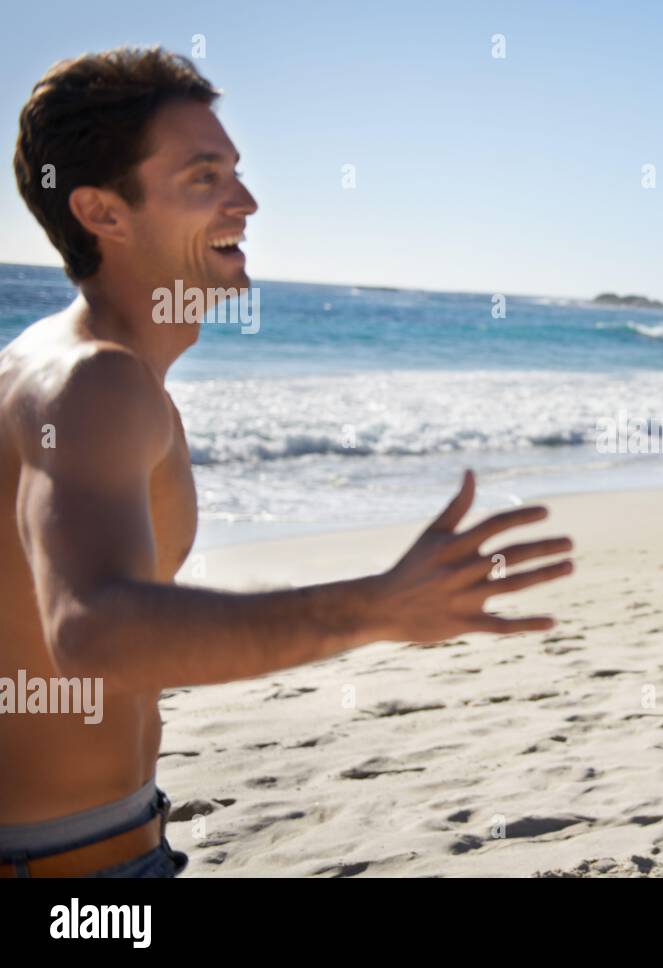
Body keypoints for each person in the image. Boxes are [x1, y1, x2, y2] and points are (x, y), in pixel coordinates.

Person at [0, 47, 574, 877]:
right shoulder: (95, 381)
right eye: (204, 178)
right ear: (103, 212)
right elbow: (91, 632)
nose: (247, 201)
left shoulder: (55, 364)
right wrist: (377, 607)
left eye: (235, 170)